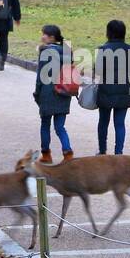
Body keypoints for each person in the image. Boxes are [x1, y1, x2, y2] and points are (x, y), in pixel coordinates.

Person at [95, 19, 130, 155]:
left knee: (103, 123)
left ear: (109, 33)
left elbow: (98, 71)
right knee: (119, 124)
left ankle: (102, 151)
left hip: (106, 90)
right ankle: (119, 153)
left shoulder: (103, 49)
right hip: (123, 90)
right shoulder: (129, 49)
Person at [33, 24, 74, 163]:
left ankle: (46, 155)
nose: (41, 36)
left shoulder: (45, 52)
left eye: (44, 34)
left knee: (45, 125)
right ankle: (68, 153)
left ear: (51, 37)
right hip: (64, 92)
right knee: (60, 127)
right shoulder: (67, 52)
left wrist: (37, 93)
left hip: (47, 93)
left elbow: (40, 77)